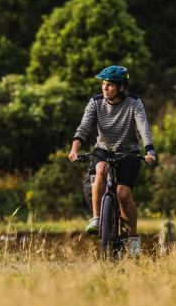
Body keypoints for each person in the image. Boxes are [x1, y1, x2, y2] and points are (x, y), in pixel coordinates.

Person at [67, 65, 156, 256]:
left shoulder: (133, 102)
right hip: (104, 149)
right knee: (100, 171)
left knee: (123, 195)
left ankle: (133, 237)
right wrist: (74, 151)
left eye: (109, 85)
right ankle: (96, 217)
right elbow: (83, 129)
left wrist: (150, 151)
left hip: (129, 152)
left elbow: (143, 129)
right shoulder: (96, 103)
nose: (105, 88)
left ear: (121, 87)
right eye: (103, 84)